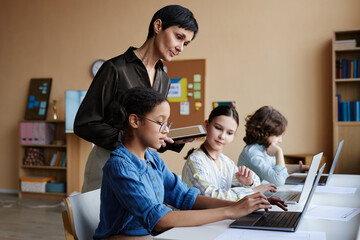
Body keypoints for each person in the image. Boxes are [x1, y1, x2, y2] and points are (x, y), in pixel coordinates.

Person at [94, 87, 287, 239]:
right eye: (160, 122)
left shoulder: (152, 159)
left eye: (167, 123)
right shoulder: (120, 166)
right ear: (135, 121)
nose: (166, 130)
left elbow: (186, 197)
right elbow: (159, 220)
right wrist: (231, 210)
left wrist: (245, 204)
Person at [74, 5, 199, 193]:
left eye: (186, 43)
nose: (180, 48)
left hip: (141, 167)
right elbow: (84, 124)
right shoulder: (114, 69)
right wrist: (132, 140)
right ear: (158, 26)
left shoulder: (163, 79)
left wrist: (176, 139)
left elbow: (150, 132)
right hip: (106, 164)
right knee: (104, 222)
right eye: (179, 37)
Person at [182, 106, 277, 202]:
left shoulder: (226, 162)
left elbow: (256, 183)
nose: (222, 136)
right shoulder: (196, 160)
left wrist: (248, 183)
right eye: (218, 128)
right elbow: (209, 195)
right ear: (206, 125)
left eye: (229, 133)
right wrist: (251, 192)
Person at [237, 106, 309, 186]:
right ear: (264, 133)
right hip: (248, 195)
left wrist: (298, 168)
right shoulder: (252, 153)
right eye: (278, 135)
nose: (280, 140)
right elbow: (279, 181)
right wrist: (279, 152)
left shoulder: (265, 148)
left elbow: (276, 170)